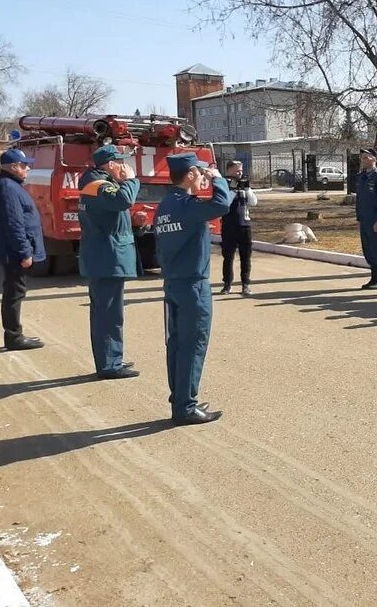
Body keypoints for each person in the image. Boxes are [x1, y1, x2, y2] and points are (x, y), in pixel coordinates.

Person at [155, 153, 231, 425]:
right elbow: (222, 204)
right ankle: (186, 406)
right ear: (189, 175)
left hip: (173, 282)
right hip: (193, 286)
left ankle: (180, 398)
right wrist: (219, 180)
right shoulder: (186, 205)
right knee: (193, 345)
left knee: (176, 344)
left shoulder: (166, 205)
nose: (203, 178)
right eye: (200, 174)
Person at [77, 144, 141, 379]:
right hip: (106, 258)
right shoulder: (98, 185)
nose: (126, 166)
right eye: (122, 162)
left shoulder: (97, 183)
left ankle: (112, 358)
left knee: (108, 313)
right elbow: (123, 201)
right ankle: (109, 365)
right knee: (108, 315)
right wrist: (131, 181)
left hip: (105, 256)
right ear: (111, 164)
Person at [0, 148, 46, 350]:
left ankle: (14, 335)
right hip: (14, 252)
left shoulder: (9, 185)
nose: (27, 168)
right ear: (13, 167)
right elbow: (13, 223)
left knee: (14, 291)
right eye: (24, 165)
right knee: (14, 292)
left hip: (12, 250)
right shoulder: (7, 188)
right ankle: (14, 337)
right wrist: (24, 252)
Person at [220, 159, 258, 296]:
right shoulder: (223, 183)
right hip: (229, 226)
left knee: (246, 257)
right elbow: (224, 204)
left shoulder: (244, 184)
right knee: (228, 257)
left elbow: (253, 202)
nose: (239, 173)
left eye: (241, 170)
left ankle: (245, 284)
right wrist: (233, 191)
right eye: (237, 170)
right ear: (229, 170)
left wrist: (246, 189)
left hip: (245, 226)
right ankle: (227, 284)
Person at [355, 148, 377, 290]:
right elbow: (359, 199)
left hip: (375, 220)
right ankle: (373, 277)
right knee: (368, 250)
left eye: (366, 157)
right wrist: (358, 218)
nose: (363, 160)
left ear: (374, 159)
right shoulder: (361, 176)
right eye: (362, 157)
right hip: (364, 219)